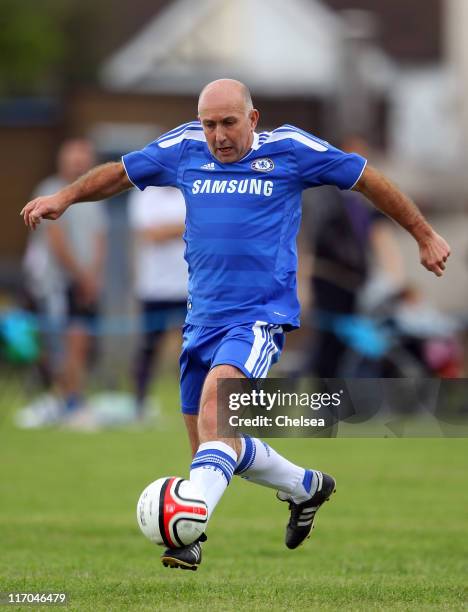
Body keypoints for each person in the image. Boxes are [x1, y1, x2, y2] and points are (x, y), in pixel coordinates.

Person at [21, 79, 450, 569]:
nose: (218, 135)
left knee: (217, 409)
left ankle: (189, 528)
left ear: (253, 118)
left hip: (260, 317)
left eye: (228, 123)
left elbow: (365, 177)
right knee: (213, 438)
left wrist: (423, 234)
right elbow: (119, 174)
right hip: (200, 320)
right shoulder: (183, 146)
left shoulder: (290, 150)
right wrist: (67, 197)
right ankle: (306, 487)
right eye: (210, 124)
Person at [22, 139, 106, 425]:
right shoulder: (49, 191)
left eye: (83, 159)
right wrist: (82, 277)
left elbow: (99, 240)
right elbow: (56, 242)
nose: (78, 164)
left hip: (85, 283)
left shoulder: (94, 198)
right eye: (73, 159)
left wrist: (93, 277)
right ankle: (60, 397)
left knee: (79, 342)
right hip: (55, 284)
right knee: (56, 344)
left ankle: (74, 399)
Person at [128, 185, 187, 418]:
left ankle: (200, 405)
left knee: (197, 350)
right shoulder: (144, 194)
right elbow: (150, 234)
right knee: (148, 349)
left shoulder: (192, 189)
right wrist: (185, 226)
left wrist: (169, 229)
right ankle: (140, 405)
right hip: (154, 288)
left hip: (189, 286)